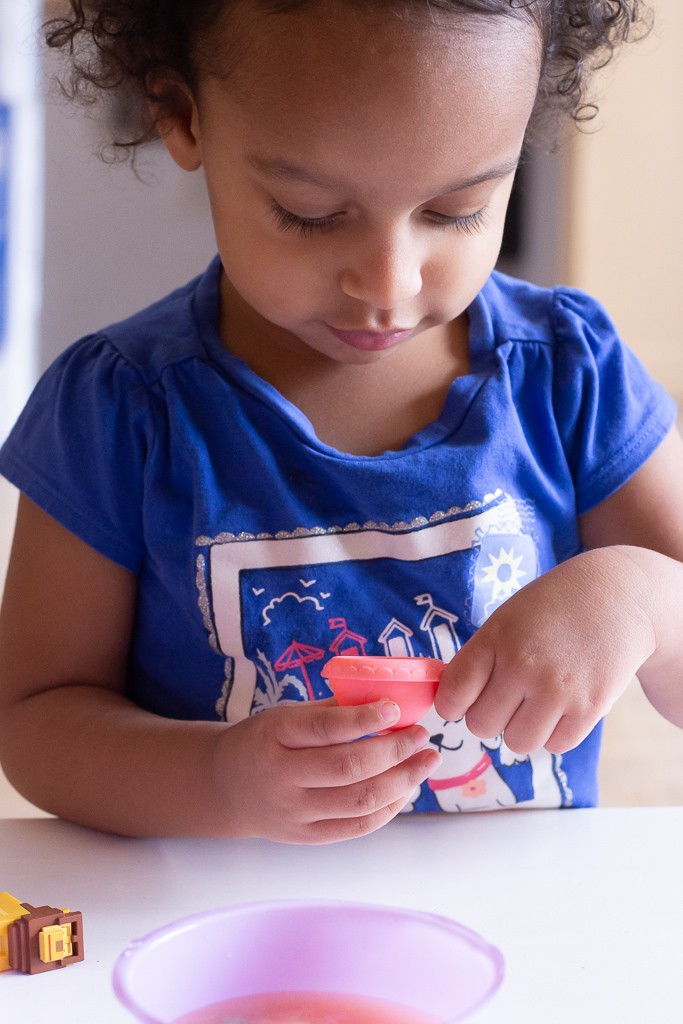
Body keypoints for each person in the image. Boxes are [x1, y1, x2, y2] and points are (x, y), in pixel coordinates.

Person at [0, 0, 681, 843]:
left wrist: (646, 601)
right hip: (227, 928)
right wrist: (216, 779)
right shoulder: (119, 409)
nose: (387, 284)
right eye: (310, 213)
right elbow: (36, 720)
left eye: (456, 208)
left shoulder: (567, 372)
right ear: (182, 118)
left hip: (523, 933)